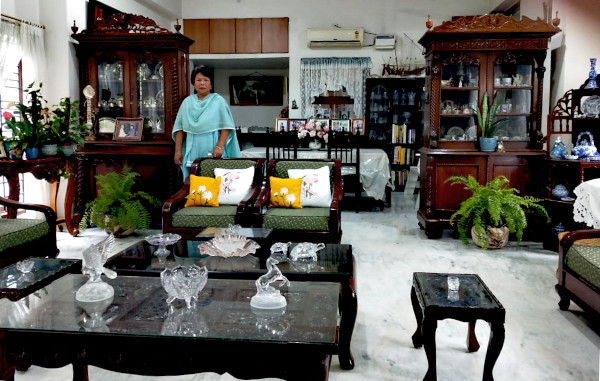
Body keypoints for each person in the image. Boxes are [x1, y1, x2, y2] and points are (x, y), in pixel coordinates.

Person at [173, 66, 241, 179]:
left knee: (215, 181)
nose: (202, 83)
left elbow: (226, 126)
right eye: (198, 80)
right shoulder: (187, 102)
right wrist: (178, 151)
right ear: (193, 84)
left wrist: (219, 147)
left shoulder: (218, 101)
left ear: (211, 84)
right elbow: (179, 129)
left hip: (213, 149)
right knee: (193, 181)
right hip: (192, 150)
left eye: (206, 80)